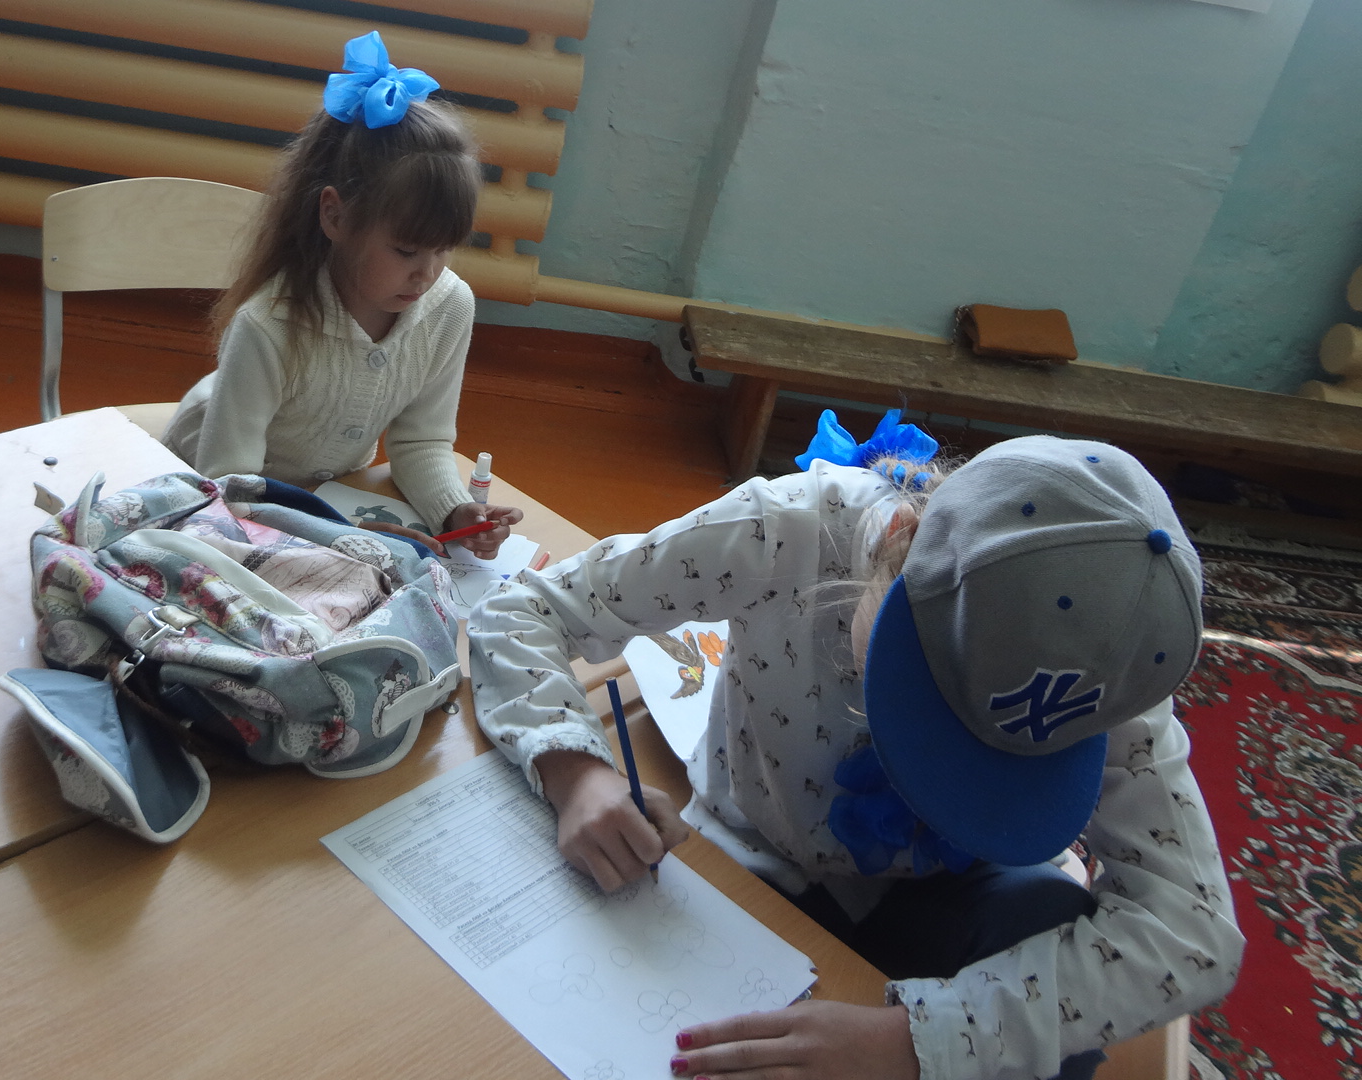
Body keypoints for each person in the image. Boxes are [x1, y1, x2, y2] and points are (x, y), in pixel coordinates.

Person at [468, 411, 1243, 1080]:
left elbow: (1195, 932)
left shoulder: (1108, 668)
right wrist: (576, 772)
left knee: (1046, 915)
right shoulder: (784, 529)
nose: (936, 760)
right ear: (898, 538)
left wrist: (919, 1042)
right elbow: (523, 611)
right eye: (923, 703)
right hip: (756, 863)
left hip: (947, 897)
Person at [162, 31, 521, 558]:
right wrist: (343, 532)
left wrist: (454, 509)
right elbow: (231, 490)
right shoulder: (268, 326)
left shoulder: (450, 306)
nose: (426, 275)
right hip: (208, 487)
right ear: (335, 215)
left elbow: (421, 441)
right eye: (405, 250)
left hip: (328, 494)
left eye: (444, 249)